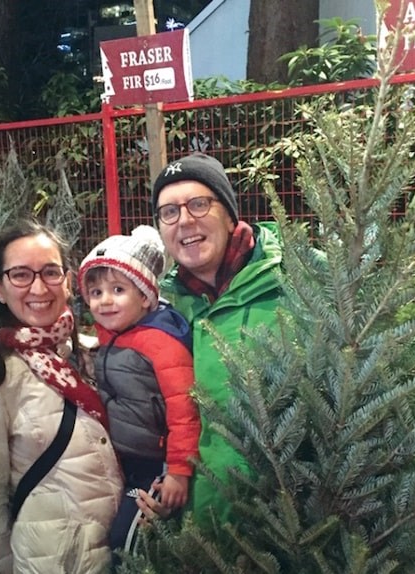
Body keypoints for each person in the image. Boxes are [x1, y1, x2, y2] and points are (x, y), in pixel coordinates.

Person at [0, 220, 123, 574]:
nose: (38, 287)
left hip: (119, 552)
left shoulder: (85, 354)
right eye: (20, 275)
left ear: (66, 279)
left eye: (50, 272)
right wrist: (25, 561)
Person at [141, 152, 284, 527]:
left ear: (229, 213)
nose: (184, 220)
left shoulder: (298, 279)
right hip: (202, 531)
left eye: (199, 204)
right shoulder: (164, 309)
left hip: (287, 527)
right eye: (168, 212)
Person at [77, 225, 200, 558]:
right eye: (96, 292)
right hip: (124, 459)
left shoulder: (161, 342)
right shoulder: (116, 332)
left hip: (155, 465)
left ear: (146, 296)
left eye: (118, 289)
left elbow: (184, 409)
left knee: (126, 542)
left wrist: (178, 471)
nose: (105, 301)